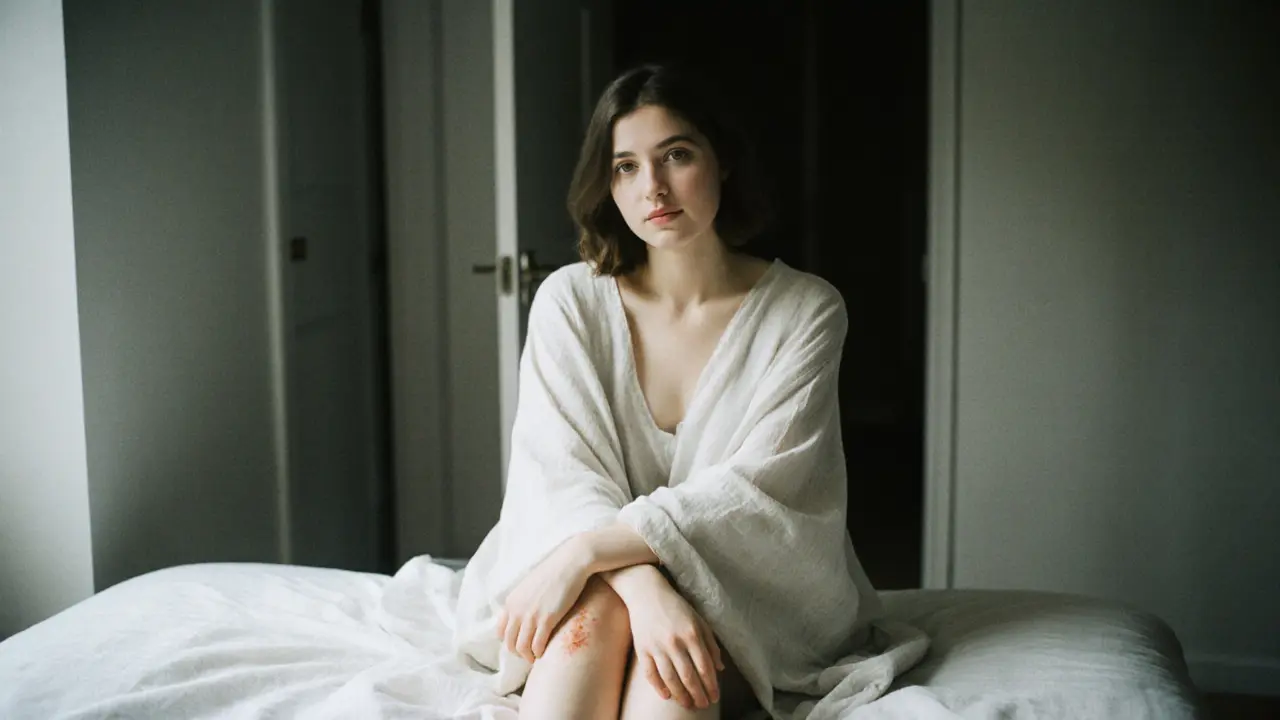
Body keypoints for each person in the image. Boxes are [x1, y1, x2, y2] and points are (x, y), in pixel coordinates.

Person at [453, 63, 925, 720]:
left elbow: (763, 491)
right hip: (590, 581)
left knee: (667, 692)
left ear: (723, 160)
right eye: (625, 166)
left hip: (741, 582)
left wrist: (592, 551)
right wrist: (642, 584)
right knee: (588, 636)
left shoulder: (806, 310)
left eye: (676, 154)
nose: (653, 187)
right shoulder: (569, 303)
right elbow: (557, 479)